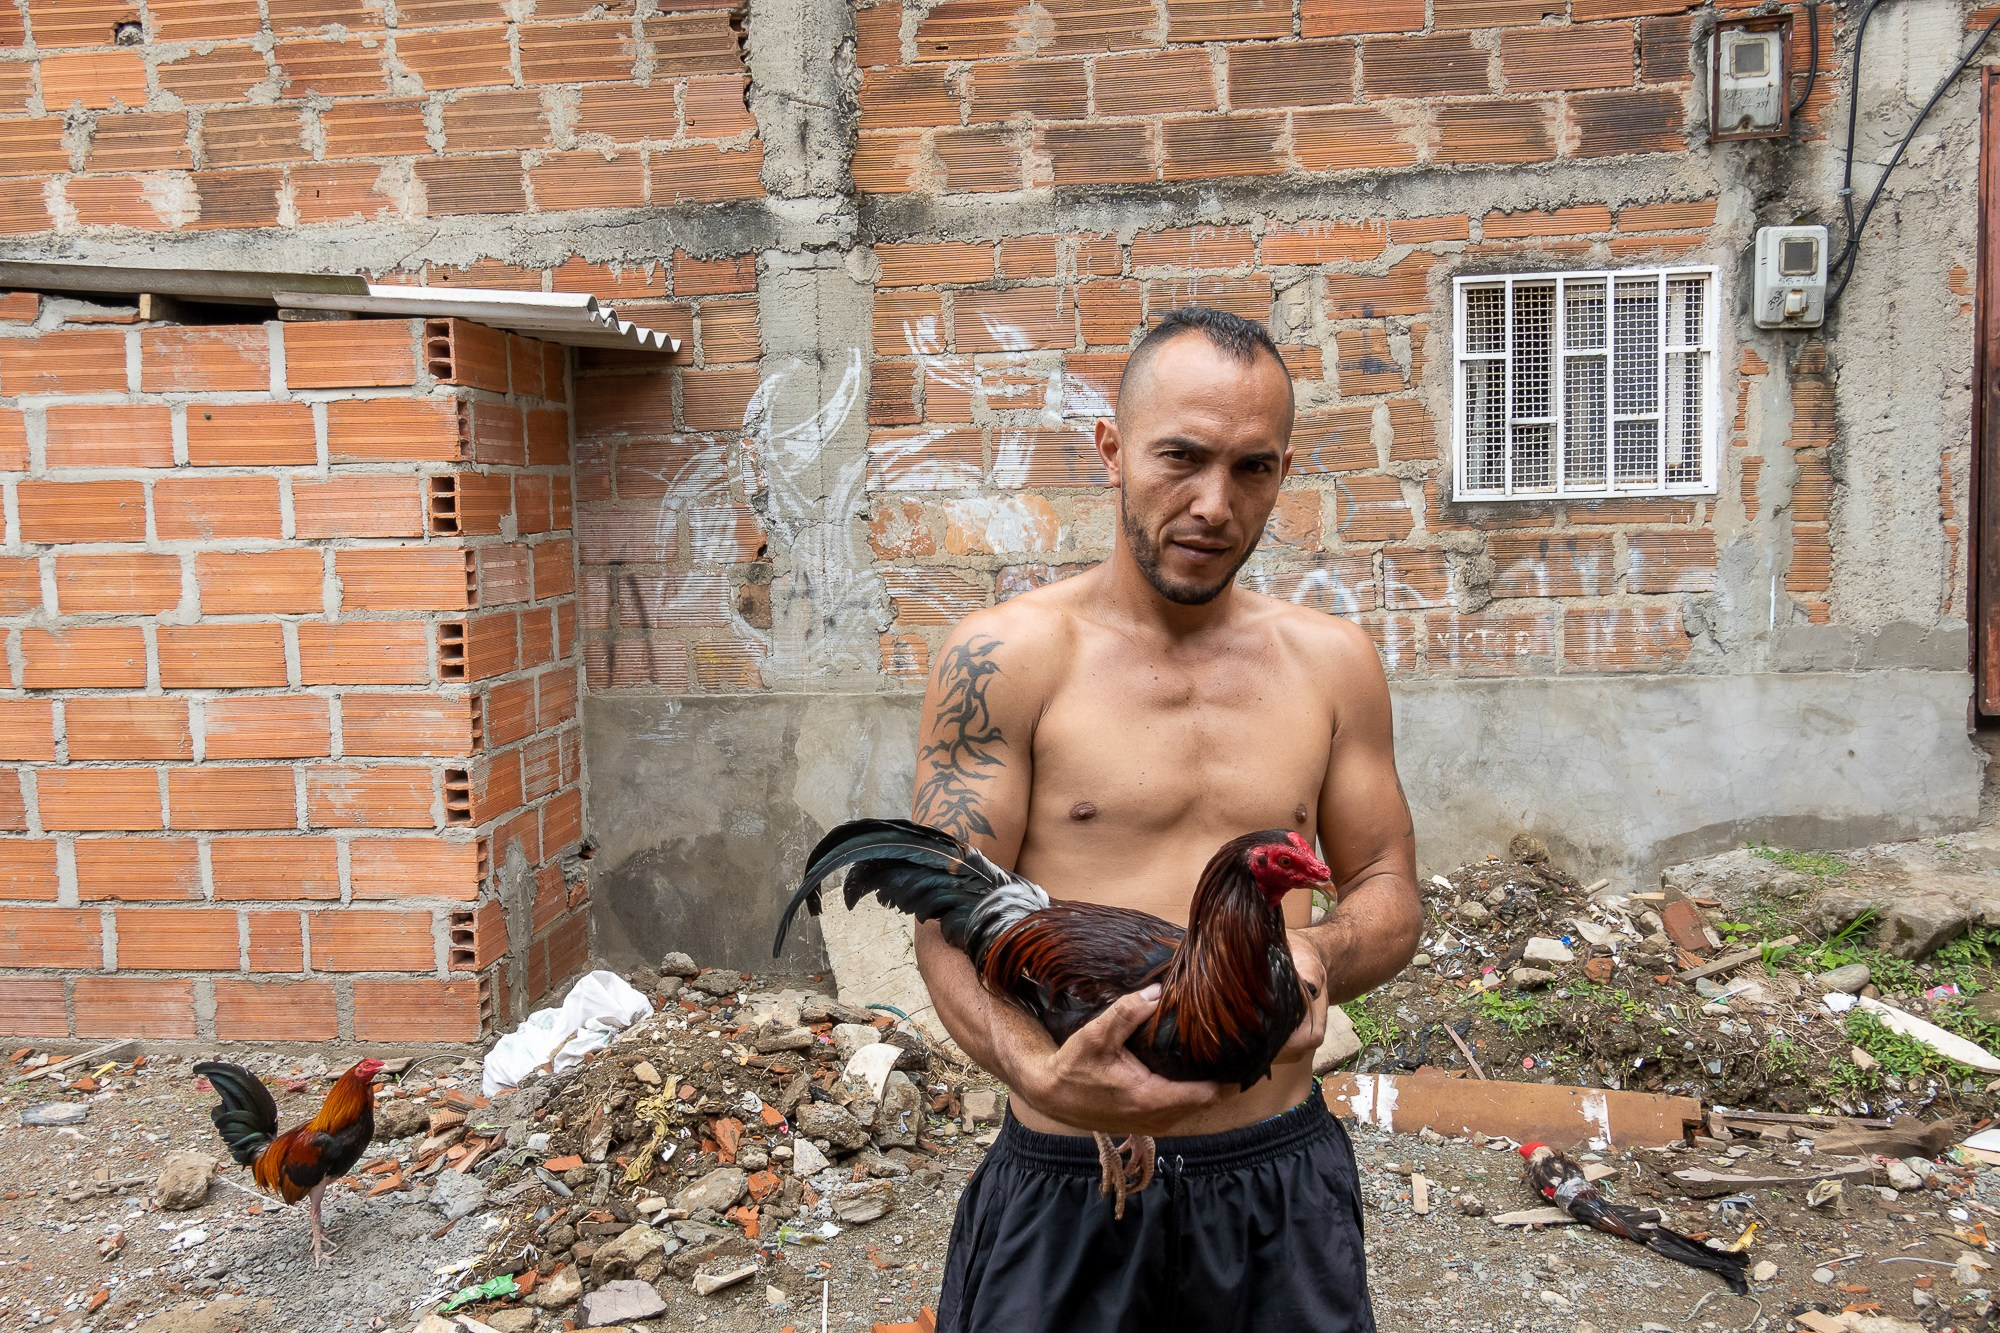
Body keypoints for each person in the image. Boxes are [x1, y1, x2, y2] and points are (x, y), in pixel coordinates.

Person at [910, 306, 1423, 1333]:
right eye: (1178, 458)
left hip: (1274, 1172)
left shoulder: (1330, 664)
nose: (1210, 505)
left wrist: (1315, 955)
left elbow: (1387, 890)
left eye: (1250, 470)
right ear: (1110, 451)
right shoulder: (1006, 659)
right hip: (1073, 1177)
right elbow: (942, 924)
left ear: (1283, 471)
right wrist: (1037, 1070)